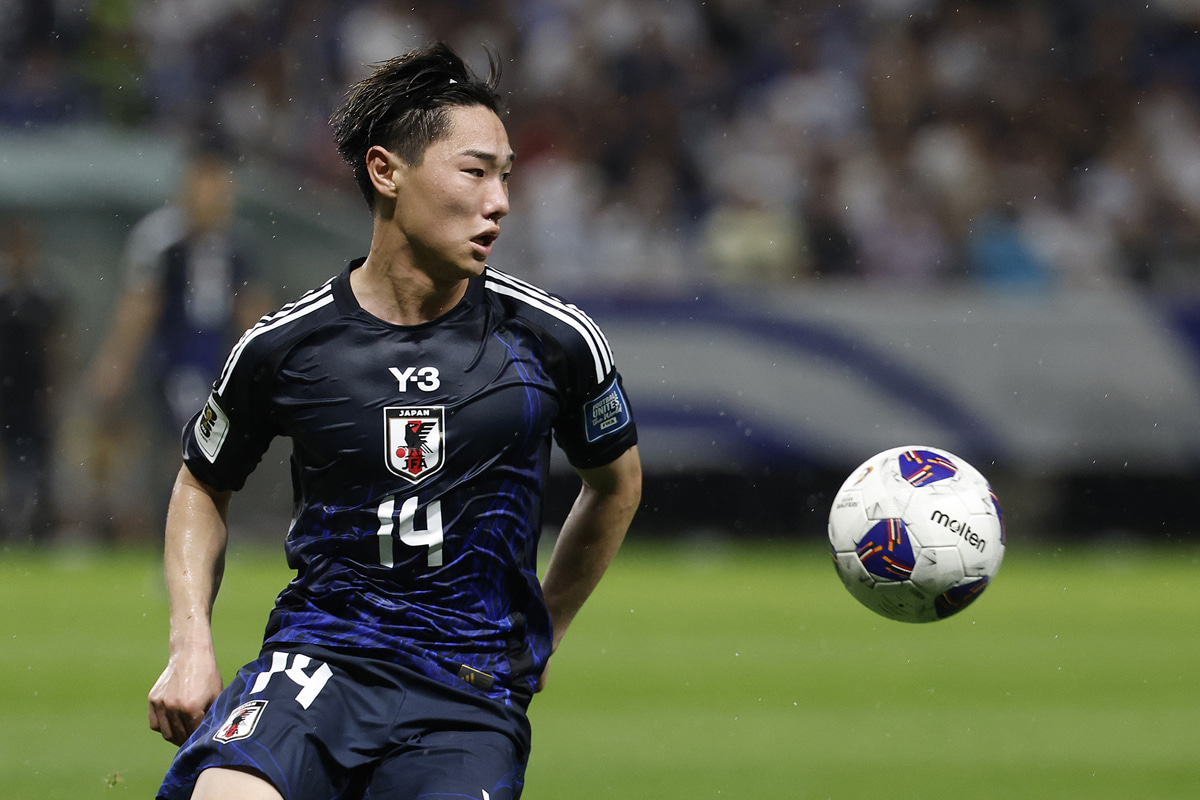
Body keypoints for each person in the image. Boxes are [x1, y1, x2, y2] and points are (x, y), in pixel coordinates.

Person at [148, 42, 642, 800]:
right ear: (386, 172)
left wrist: (546, 627)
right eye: (475, 172)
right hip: (319, 660)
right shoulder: (288, 346)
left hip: (467, 684)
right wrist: (190, 644)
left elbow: (615, 484)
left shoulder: (551, 340)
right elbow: (200, 484)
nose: (501, 201)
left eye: (506, 176)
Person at [87, 140, 271, 539]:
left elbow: (251, 307)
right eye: (207, 181)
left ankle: (197, 533)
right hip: (175, 362)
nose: (216, 193)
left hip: (219, 364)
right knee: (187, 450)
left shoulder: (237, 243)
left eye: (222, 183)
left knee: (214, 454)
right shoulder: (161, 239)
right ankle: (174, 536)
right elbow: (140, 306)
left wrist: (263, 363)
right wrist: (115, 364)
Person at [0, 215, 63, 544]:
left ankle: (38, 526)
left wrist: (54, 388)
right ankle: (9, 523)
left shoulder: (45, 294)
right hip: (5, 391)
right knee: (9, 459)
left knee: (38, 460)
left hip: (34, 391)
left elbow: (55, 346)